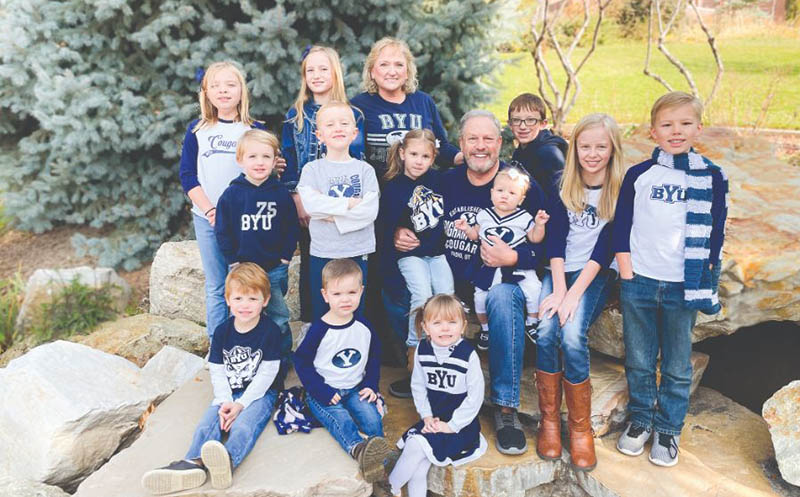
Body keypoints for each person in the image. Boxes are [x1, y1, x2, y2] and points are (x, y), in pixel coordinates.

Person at [394, 110, 546, 455]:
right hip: (449, 281)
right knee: (407, 279)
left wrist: (515, 258)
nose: (481, 146)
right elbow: (410, 210)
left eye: (488, 139)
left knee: (504, 298)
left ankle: (505, 410)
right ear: (461, 145)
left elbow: (548, 245)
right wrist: (398, 231)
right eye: (472, 139)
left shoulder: (520, 185)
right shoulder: (444, 181)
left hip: (499, 284)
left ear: (500, 144)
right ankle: (420, 374)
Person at [613, 92, 728, 467]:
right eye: (666, 124)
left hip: (684, 284)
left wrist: (706, 277)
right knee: (641, 360)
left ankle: (668, 428)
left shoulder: (711, 176)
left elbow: (716, 232)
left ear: (698, 128)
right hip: (641, 281)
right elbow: (622, 225)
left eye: (684, 123)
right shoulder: (640, 175)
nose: (675, 131)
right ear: (653, 132)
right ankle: (642, 420)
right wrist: (627, 271)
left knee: (678, 365)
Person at [141, 263, 283, 494]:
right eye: (238, 299)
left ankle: (227, 461)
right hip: (229, 391)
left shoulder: (270, 332)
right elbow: (216, 369)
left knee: (245, 426)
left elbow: (267, 373)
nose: (245, 306)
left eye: (252, 299)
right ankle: (192, 464)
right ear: (227, 300)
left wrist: (241, 405)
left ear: (265, 301)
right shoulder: (222, 331)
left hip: (260, 393)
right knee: (207, 424)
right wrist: (226, 400)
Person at [535, 113, 625, 472]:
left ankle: (579, 428)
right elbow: (554, 240)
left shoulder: (620, 189)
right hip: (559, 268)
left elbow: (605, 249)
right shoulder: (563, 182)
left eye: (601, 146)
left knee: (572, 335)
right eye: (585, 146)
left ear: (612, 148)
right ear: (575, 150)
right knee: (545, 331)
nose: (592, 153)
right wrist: (558, 290)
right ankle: (549, 423)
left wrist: (573, 296)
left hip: (593, 272)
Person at [178, 61, 267, 339]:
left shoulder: (254, 129)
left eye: (230, 84)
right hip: (208, 218)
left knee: (247, 284)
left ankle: (251, 342)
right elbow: (188, 176)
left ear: (242, 90)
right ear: (205, 93)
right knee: (218, 285)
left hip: (247, 220)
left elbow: (265, 169)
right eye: (215, 86)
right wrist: (210, 209)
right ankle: (218, 345)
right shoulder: (197, 130)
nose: (223, 91)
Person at [281, 45, 366, 324]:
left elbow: (359, 159)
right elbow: (290, 159)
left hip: (345, 204)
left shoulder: (354, 114)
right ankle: (312, 325)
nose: (316, 75)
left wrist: (348, 207)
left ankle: (350, 324)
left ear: (335, 73)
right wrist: (297, 198)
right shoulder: (296, 116)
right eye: (310, 70)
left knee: (347, 267)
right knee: (312, 264)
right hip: (309, 204)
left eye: (323, 69)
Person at [293, 259, 391, 483]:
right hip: (324, 391)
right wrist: (321, 390)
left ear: (361, 291)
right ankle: (358, 449)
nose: (345, 299)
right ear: (325, 295)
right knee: (341, 419)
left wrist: (370, 385)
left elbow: (374, 356)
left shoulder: (364, 327)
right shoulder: (319, 330)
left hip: (356, 386)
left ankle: (379, 460)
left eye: (351, 292)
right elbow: (302, 362)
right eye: (337, 294)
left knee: (371, 417)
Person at [384, 294, 487, 497]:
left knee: (415, 444)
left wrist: (452, 426)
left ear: (463, 326)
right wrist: (426, 416)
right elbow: (419, 386)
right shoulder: (422, 350)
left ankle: (391, 486)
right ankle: (395, 487)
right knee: (420, 466)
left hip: (459, 426)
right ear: (425, 327)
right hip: (433, 419)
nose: (445, 328)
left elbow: (475, 397)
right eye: (437, 323)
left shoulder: (467, 355)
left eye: (452, 322)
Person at [379, 129, 454, 396]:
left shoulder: (441, 181)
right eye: (413, 154)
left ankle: (446, 354)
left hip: (436, 253)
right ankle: (414, 351)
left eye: (425, 155)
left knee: (446, 297)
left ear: (433, 156)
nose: (419, 161)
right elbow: (385, 229)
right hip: (409, 256)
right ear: (402, 153)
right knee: (422, 295)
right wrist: (395, 237)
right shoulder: (393, 187)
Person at [214, 130, 298, 356]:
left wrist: (285, 258)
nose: (259, 163)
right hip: (243, 269)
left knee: (278, 314)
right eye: (252, 157)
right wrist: (233, 261)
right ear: (240, 160)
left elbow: (291, 227)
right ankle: (245, 355)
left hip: (274, 268)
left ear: (274, 161)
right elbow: (223, 232)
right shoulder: (231, 195)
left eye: (266, 157)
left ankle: (281, 357)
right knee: (243, 314)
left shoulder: (280, 193)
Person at [296, 101, 380, 319]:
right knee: (323, 313)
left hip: (357, 251)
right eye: (330, 124)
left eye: (344, 123)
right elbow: (311, 205)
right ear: (319, 135)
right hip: (324, 252)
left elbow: (370, 211)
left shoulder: (364, 170)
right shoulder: (312, 169)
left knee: (355, 311)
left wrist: (332, 216)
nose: (338, 128)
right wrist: (347, 204)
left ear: (354, 133)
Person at [455, 166, 549, 350]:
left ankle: (532, 322)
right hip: (489, 266)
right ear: (491, 193)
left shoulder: (523, 217)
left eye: (512, 193)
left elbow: (535, 238)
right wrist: (466, 228)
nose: (504, 196)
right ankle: (485, 329)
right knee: (480, 297)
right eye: (500, 191)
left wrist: (539, 225)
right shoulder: (484, 215)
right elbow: (475, 235)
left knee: (534, 288)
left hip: (518, 267)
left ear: (521, 199)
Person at [351, 37, 463, 180]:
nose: (392, 72)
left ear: (408, 72)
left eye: (399, 65)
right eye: (384, 65)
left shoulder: (423, 101)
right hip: (378, 193)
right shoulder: (358, 106)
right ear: (372, 71)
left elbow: (440, 147)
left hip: (420, 192)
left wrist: (462, 157)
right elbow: (351, 154)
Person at [507, 93, 567, 195]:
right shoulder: (521, 151)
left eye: (530, 120)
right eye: (516, 120)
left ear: (543, 124)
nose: (522, 126)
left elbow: (557, 198)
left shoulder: (549, 155)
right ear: (510, 124)